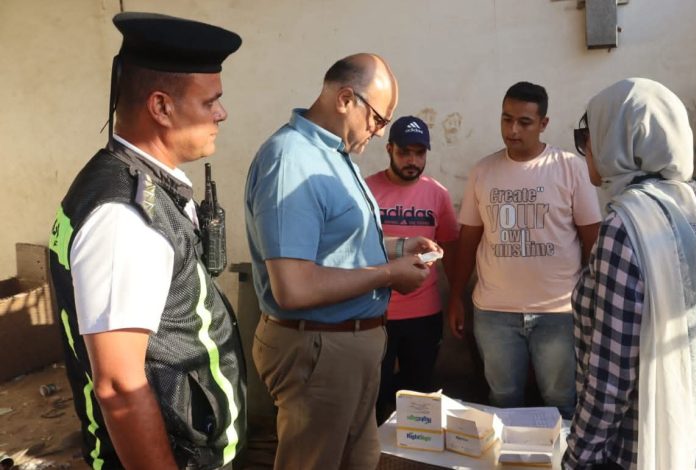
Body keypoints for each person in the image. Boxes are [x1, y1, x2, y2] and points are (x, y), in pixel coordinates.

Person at [47, 12, 245, 470]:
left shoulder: (137, 183)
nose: (221, 113)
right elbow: (119, 386)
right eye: (211, 101)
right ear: (161, 107)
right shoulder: (125, 217)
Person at [244, 54, 441, 470]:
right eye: (378, 119)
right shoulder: (292, 160)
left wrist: (398, 248)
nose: (379, 130)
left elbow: (337, 245)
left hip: (345, 348)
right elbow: (294, 287)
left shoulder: (335, 155)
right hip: (318, 348)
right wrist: (388, 274)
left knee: (361, 458)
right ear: (346, 98)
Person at [563, 78, 696, 470]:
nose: (586, 149)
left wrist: (576, 458)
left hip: (639, 449)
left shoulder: (624, 230)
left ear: (619, 140)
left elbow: (609, 382)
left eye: (587, 137)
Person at [447, 81, 601, 418]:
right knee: (503, 402)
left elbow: (593, 240)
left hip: (559, 312)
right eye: (507, 119)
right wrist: (456, 295)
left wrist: (594, 301)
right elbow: (469, 239)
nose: (513, 130)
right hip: (494, 313)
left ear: (543, 123)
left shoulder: (570, 168)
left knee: (560, 402)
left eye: (524, 122)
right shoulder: (483, 172)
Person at [365, 116, 460, 420]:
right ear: (389, 149)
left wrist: (456, 299)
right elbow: (354, 247)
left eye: (419, 153)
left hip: (423, 314)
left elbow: (452, 250)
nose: (412, 160)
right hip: (375, 312)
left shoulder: (437, 193)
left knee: (418, 399)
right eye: (404, 152)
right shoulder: (366, 190)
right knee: (373, 396)